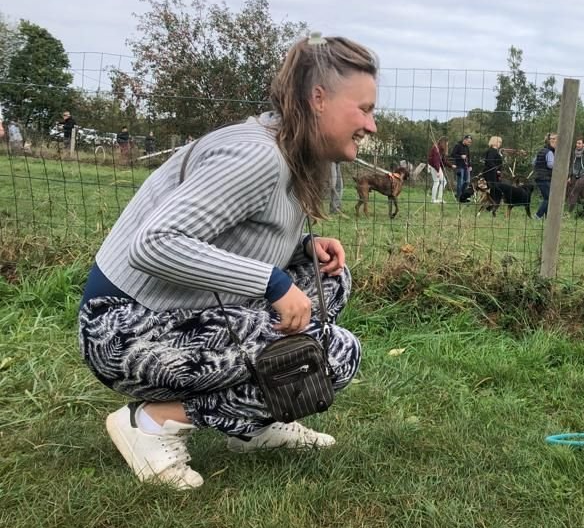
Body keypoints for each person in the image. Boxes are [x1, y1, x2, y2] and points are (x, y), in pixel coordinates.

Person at [78, 34, 377, 489]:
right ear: (318, 99)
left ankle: (256, 423)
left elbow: (233, 232)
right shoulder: (256, 154)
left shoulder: (299, 153)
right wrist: (273, 283)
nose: (371, 125)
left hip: (170, 313)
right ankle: (152, 424)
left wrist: (298, 253)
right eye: (365, 109)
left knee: (329, 282)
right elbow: (154, 242)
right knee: (333, 354)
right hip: (121, 327)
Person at [532, 133, 557, 219]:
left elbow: (534, 162)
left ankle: (547, 216)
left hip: (538, 177)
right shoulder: (550, 152)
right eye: (553, 139)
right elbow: (550, 165)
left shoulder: (541, 150)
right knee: (549, 197)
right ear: (550, 141)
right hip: (545, 178)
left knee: (547, 197)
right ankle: (538, 215)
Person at [450, 134, 473, 201]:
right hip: (460, 166)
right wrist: (460, 156)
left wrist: (470, 165)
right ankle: (459, 196)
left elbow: (469, 157)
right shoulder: (457, 146)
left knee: (467, 181)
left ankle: (463, 195)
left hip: (466, 167)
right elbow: (453, 154)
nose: (469, 143)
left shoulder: (467, 147)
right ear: (465, 140)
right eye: (468, 142)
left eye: (470, 142)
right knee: (460, 182)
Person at [427, 137, 449, 204]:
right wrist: (438, 171)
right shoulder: (436, 149)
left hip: (436, 167)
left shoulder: (440, 149)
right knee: (436, 182)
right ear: (444, 142)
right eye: (447, 143)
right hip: (434, 166)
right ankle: (433, 199)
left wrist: (450, 165)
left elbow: (442, 161)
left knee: (443, 182)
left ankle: (439, 198)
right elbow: (435, 161)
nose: (448, 144)